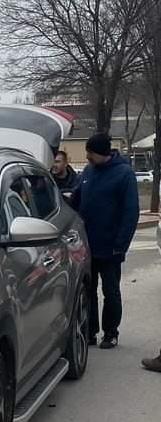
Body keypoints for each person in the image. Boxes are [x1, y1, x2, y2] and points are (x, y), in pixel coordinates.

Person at [70, 133, 139, 349]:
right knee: (88, 291)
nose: (87, 156)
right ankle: (89, 331)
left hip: (111, 246)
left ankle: (110, 332)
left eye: (90, 152)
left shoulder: (124, 174)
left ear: (102, 152)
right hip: (87, 245)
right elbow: (76, 199)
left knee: (110, 290)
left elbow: (131, 212)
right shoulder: (89, 172)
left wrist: (121, 244)